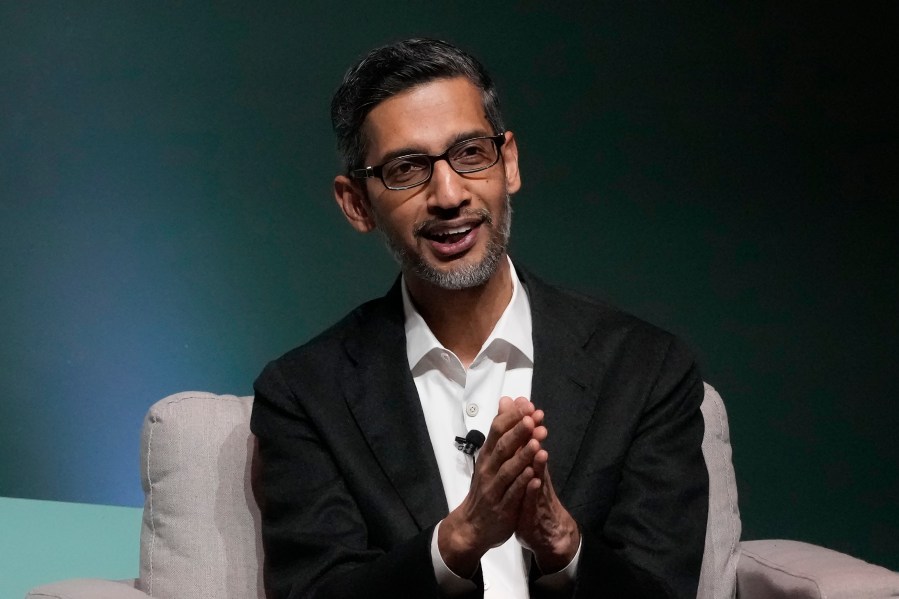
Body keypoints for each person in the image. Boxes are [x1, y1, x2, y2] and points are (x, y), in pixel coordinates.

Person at [251, 38, 708, 599]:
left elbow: (662, 589)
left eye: (470, 153)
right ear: (357, 204)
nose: (448, 194)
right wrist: (459, 540)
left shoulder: (646, 370)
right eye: (407, 168)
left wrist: (562, 542)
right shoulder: (305, 394)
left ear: (508, 162)